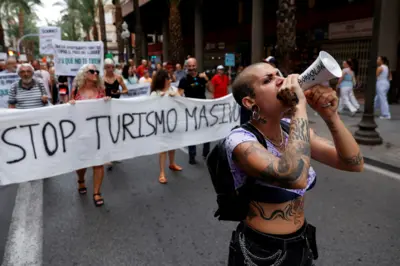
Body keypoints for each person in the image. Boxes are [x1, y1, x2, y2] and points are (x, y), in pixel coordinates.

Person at [227, 63, 363, 265]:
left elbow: (353, 163)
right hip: (260, 253)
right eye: (268, 80)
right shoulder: (240, 141)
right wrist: (299, 106)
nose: (280, 80)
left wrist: (330, 115)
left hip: (301, 243)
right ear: (249, 102)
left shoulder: (290, 129)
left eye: (278, 74)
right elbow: (294, 177)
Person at [70, 64, 110, 207]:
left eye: (96, 71)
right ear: (84, 74)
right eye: (91, 71)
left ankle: (97, 192)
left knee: (98, 162)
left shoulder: (101, 90)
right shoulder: (75, 91)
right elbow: (68, 111)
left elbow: (107, 111)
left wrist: (107, 102)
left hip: (98, 132)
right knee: (82, 163)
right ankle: (81, 180)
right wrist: (71, 103)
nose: (95, 73)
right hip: (80, 133)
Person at [150, 70, 183, 184]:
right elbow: (151, 107)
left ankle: (172, 163)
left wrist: (176, 96)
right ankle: (162, 172)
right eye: (168, 79)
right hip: (161, 124)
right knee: (163, 148)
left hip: (173, 123)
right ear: (162, 80)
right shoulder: (155, 93)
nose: (170, 80)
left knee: (173, 145)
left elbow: (181, 101)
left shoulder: (173, 90)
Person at [178, 57, 213, 164]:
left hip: (203, 109)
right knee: (192, 132)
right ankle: (192, 155)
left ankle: (206, 153)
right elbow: (179, 94)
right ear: (186, 67)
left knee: (206, 131)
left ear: (196, 66)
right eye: (189, 66)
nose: (192, 68)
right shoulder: (184, 79)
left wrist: (206, 79)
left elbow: (211, 90)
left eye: (193, 66)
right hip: (191, 110)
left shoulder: (202, 77)